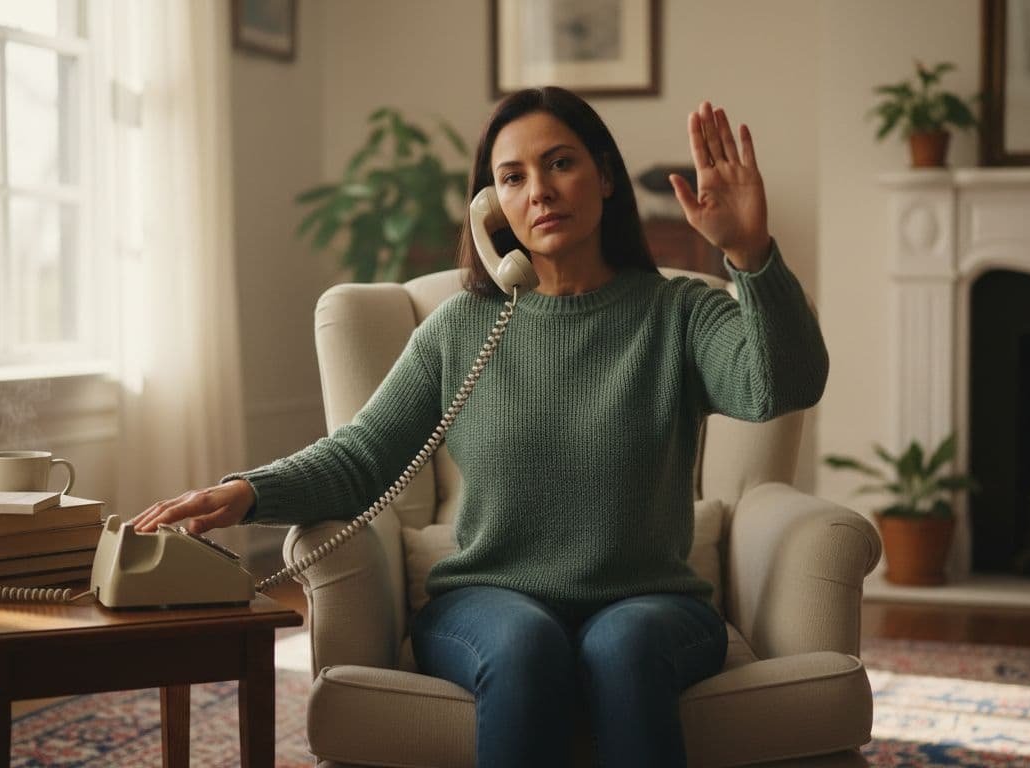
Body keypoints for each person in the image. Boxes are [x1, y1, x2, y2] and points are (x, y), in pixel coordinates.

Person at [131, 87, 828, 768]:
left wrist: (750, 253)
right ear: (490, 207)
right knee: (525, 647)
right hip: (487, 602)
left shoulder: (679, 313)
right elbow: (364, 455)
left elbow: (784, 385)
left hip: (652, 604)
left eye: (561, 163)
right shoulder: (463, 328)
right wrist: (247, 492)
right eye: (513, 177)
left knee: (624, 646)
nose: (540, 192)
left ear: (605, 176)